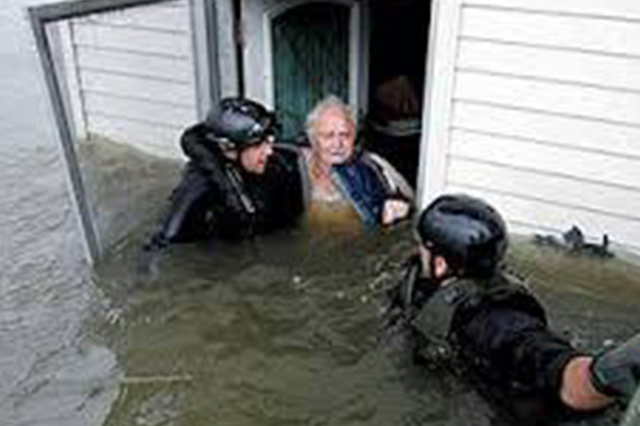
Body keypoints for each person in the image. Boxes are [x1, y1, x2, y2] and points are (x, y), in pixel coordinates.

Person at [387, 194, 640, 424]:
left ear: (440, 263)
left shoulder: (494, 320)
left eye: (423, 247)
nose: (417, 253)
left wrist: (605, 374)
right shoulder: (422, 281)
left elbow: (551, 367)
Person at [146, 97, 304, 249]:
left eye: (268, 140)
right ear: (229, 149)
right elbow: (163, 245)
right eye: (258, 145)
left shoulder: (273, 164)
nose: (269, 151)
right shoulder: (198, 188)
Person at [300, 95, 413, 231]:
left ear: (354, 137)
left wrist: (397, 208)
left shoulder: (372, 164)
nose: (337, 144)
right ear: (313, 139)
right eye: (328, 136)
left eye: (345, 135)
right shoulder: (297, 167)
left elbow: (409, 200)